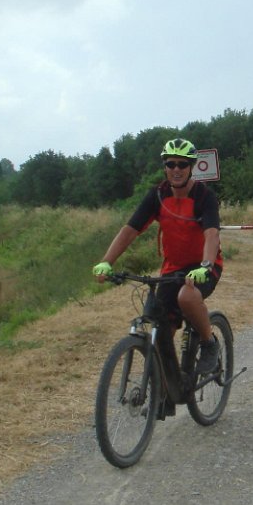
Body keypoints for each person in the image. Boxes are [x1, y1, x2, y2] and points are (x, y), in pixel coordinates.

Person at [92, 138, 223, 374]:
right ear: (165, 166)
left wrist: (205, 265)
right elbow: (130, 230)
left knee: (187, 297)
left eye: (182, 164)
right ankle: (168, 388)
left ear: (191, 167)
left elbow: (211, 234)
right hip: (172, 268)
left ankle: (209, 342)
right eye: (171, 164)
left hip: (204, 265)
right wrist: (106, 262)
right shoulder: (158, 195)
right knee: (160, 328)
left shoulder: (204, 196)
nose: (176, 169)